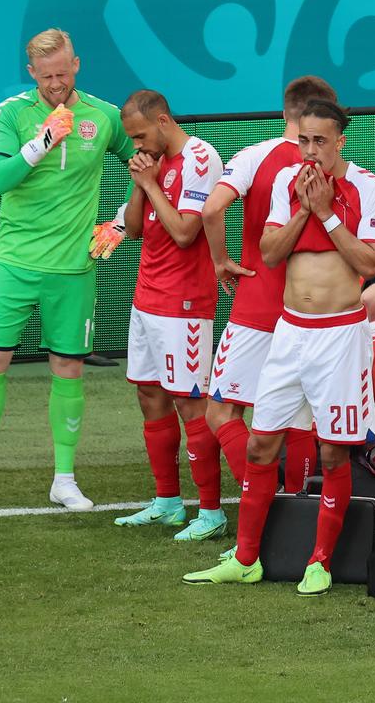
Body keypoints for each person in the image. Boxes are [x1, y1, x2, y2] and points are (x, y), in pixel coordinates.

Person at [182, 99, 375, 595]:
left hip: (340, 336)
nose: (311, 151)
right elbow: (271, 253)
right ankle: (247, 557)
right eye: (304, 140)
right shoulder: (284, 182)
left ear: (341, 141)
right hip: (289, 332)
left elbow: (370, 263)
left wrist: (327, 214)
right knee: (260, 440)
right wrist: (303, 209)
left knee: (334, 454)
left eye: (321, 141)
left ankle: (319, 561)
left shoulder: (369, 188)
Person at [0, 28, 134, 508]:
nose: (56, 84)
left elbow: (146, 163)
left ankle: (63, 480)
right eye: (47, 76)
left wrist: (121, 223)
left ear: (77, 65)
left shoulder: (105, 115)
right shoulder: (13, 114)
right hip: (14, 262)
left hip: (73, 268)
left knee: (68, 367)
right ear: (32, 74)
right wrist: (40, 142)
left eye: (63, 73)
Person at [200, 76, 337, 496]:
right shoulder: (336, 169)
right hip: (308, 310)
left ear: (284, 111)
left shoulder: (254, 157)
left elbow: (211, 210)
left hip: (257, 304)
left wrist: (222, 262)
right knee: (297, 421)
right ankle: (297, 513)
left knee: (221, 413)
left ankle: (264, 502)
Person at [110, 90, 228, 539]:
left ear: (163, 121)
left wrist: (151, 184)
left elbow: (183, 231)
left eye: (140, 135)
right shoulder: (151, 162)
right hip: (147, 297)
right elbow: (138, 229)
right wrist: (142, 184)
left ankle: (212, 513)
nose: (137, 146)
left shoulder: (201, 157)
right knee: (148, 393)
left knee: (189, 402)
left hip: (184, 304)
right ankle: (167, 502)